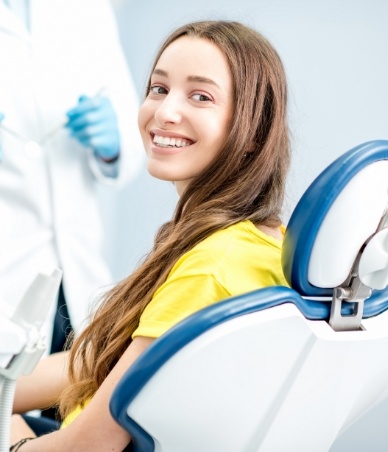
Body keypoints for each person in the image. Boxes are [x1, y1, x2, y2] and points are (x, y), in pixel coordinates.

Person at [10, 19, 290, 451]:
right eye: (159, 89)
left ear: (253, 130)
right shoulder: (255, 241)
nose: (164, 112)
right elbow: (108, 356)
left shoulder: (211, 267)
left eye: (200, 96)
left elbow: (90, 446)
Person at [0, 0, 143, 353]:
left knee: (70, 393)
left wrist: (113, 143)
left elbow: (132, 131)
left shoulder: (87, 8)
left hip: (77, 269)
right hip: (8, 266)